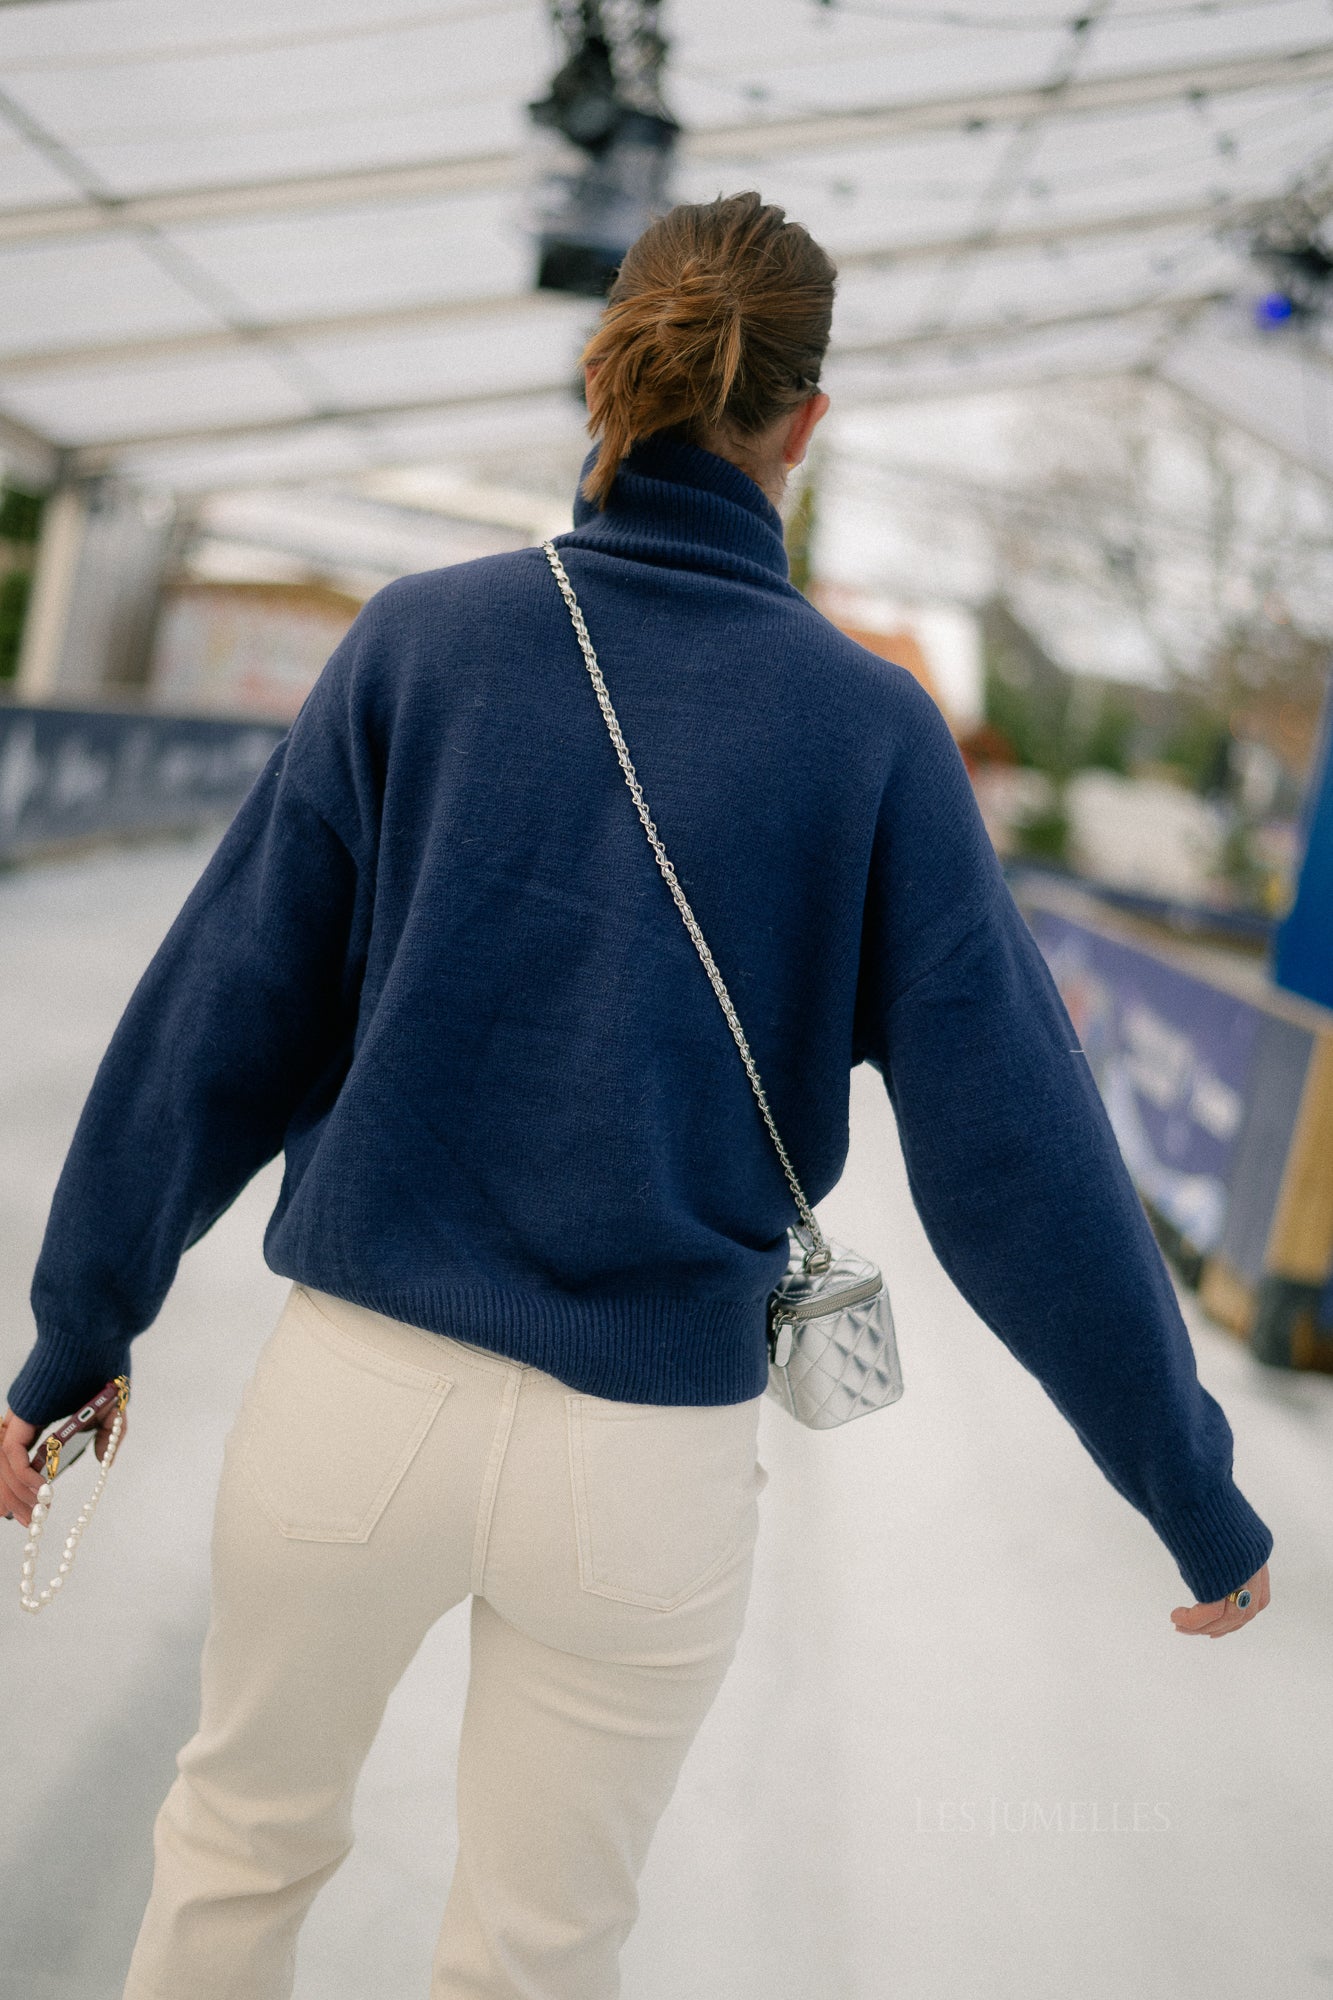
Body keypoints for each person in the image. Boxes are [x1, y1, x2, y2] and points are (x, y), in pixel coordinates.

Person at [1, 191, 1271, 2000]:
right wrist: (1187, 1491)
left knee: (235, 1855)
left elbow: (219, 1018)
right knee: (540, 1952)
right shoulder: (874, 732)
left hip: (358, 1402)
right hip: (647, 1466)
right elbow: (1019, 1156)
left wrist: (72, 1345)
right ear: (805, 428)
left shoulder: (418, 646)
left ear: (604, 380)